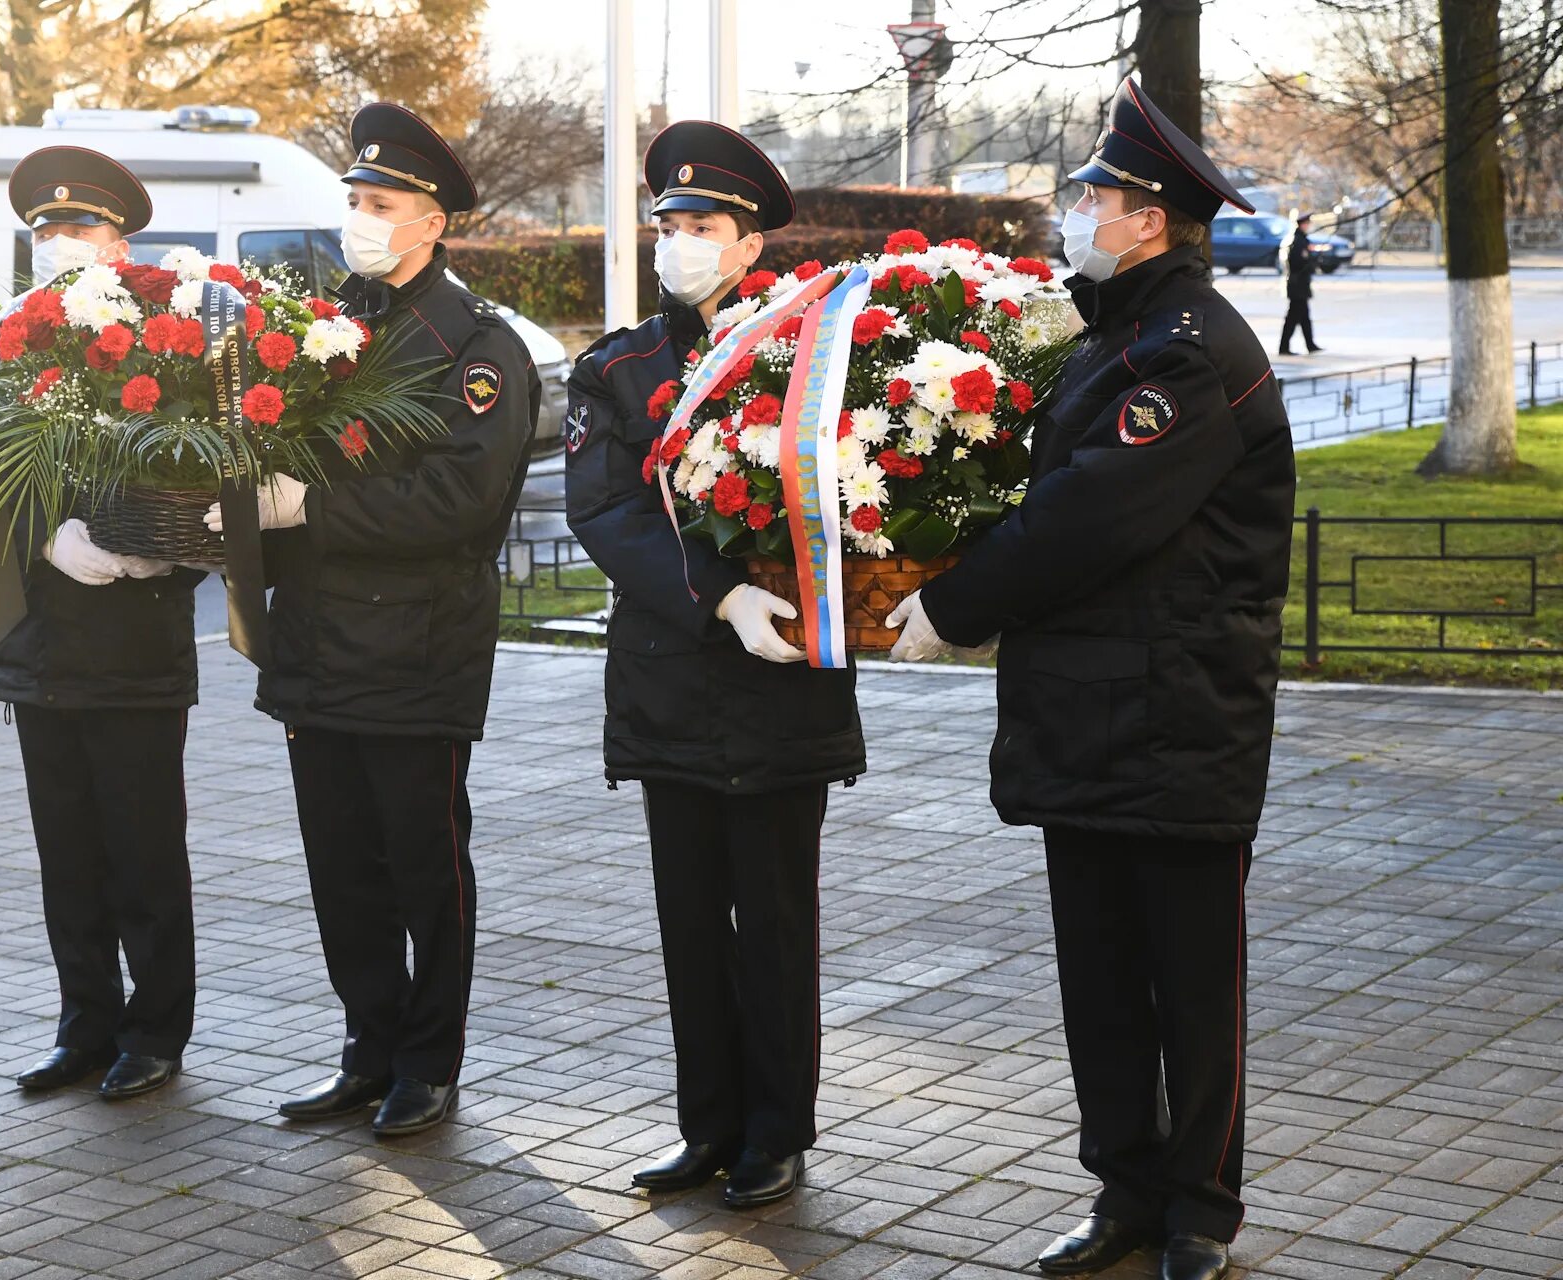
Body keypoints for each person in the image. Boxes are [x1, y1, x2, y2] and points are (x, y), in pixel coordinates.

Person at [887, 79, 1293, 1280]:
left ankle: (1197, 1214)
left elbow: (1081, 518)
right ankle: (1122, 1188)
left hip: (1177, 720)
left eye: (1097, 194)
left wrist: (951, 602)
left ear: (1153, 218)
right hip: (1083, 715)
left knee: (1189, 987)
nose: (1078, 209)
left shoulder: (1189, 354)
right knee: (1101, 984)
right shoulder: (1107, 334)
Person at [217, 103, 536, 1138]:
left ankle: (427, 1060)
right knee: (340, 865)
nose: (362, 217)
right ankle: (365, 1045)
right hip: (314, 642)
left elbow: (463, 502)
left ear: (432, 221)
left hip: (415, 648)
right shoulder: (318, 332)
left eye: (382, 203)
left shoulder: (474, 347)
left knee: (422, 866)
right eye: (354, 199)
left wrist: (312, 506)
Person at [562, 121, 865, 1209]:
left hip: (782, 681)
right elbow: (600, 509)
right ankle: (708, 1126)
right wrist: (719, 594)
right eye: (669, 225)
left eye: (703, 227)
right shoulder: (618, 366)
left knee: (774, 923)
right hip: (670, 680)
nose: (680, 243)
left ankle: (777, 1131)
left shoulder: (816, 353)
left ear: (748, 246)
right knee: (690, 926)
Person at [0, 146, 208, 1102]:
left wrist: (160, 550)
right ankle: (84, 1023)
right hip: (38, 639)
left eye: (81, 228)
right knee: (68, 854)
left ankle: (156, 1029)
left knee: (143, 850)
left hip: (135, 636)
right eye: (45, 230)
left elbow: (201, 466)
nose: (61, 242)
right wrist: (46, 537)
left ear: (121, 239)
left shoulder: (166, 337)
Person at [1279, 213, 1321, 355]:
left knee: (1304, 317)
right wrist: (1311, 262)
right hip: (1298, 286)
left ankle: (1310, 344)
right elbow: (1298, 263)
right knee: (1293, 318)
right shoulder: (1298, 241)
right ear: (1302, 224)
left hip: (1299, 285)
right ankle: (1284, 347)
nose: (1308, 226)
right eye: (1307, 223)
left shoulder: (1300, 239)